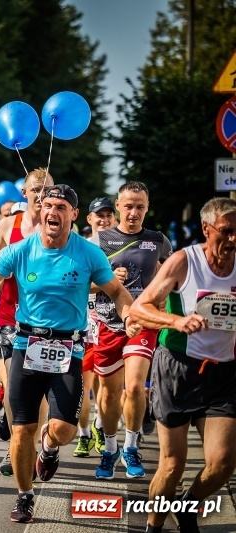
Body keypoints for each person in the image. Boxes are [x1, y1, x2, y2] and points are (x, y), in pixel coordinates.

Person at [0, 184, 138, 524]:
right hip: (26, 346)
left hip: (68, 349)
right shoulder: (20, 250)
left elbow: (116, 291)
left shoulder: (88, 253)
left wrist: (129, 315)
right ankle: (24, 496)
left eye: (61, 207)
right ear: (40, 211)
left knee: (63, 430)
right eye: (47, 205)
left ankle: (49, 445)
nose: (52, 212)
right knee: (21, 429)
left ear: (73, 215)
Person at [130, 197, 236, 533]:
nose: (233, 239)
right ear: (207, 229)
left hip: (224, 372)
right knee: (172, 464)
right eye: (227, 231)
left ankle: (187, 506)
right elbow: (140, 307)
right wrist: (176, 322)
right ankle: (154, 526)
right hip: (177, 368)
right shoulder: (183, 262)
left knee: (222, 463)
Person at [90, 182, 171, 480]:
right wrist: (108, 280)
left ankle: (131, 446)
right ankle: (109, 449)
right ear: (118, 206)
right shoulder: (99, 241)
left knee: (135, 387)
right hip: (108, 322)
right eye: (128, 206)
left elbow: (168, 277)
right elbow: (83, 284)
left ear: (147, 206)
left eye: (140, 206)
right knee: (110, 395)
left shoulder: (158, 240)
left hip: (141, 323)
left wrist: (163, 302)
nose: (134, 212)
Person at [0, 167, 54, 476]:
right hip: (9, 315)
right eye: (35, 189)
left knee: (37, 388)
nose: (41, 194)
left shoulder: (61, 226)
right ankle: (16, 444)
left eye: (47, 189)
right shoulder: (6, 224)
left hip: (48, 319)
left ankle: (35, 445)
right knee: (13, 384)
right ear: (24, 194)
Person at [74, 196, 117, 459]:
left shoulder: (124, 248)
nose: (103, 220)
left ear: (115, 218)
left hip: (113, 327)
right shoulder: (80, 248)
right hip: (84, 327)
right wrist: (107, 282)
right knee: (81, 386)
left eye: (108, 215)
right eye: (98, 215)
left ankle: (100, 427)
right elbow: (75, 284)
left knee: (107, 387)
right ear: (88, 219)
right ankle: (84, 434)